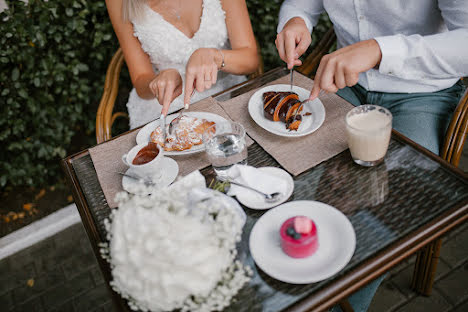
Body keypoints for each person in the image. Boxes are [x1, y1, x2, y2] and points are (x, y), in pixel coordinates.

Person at [275, 0, 468, 156]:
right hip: (343, 84)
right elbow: (300, 5)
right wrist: (296, 19)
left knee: (408, 182)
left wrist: (380, 51)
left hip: (425, 93)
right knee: (298, 151)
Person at [106, 0, 259, 129]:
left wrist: (216, 57)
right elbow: (141, 80)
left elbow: (250, 59)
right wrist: (158, 81)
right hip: (168, 109)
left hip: (228, 95)